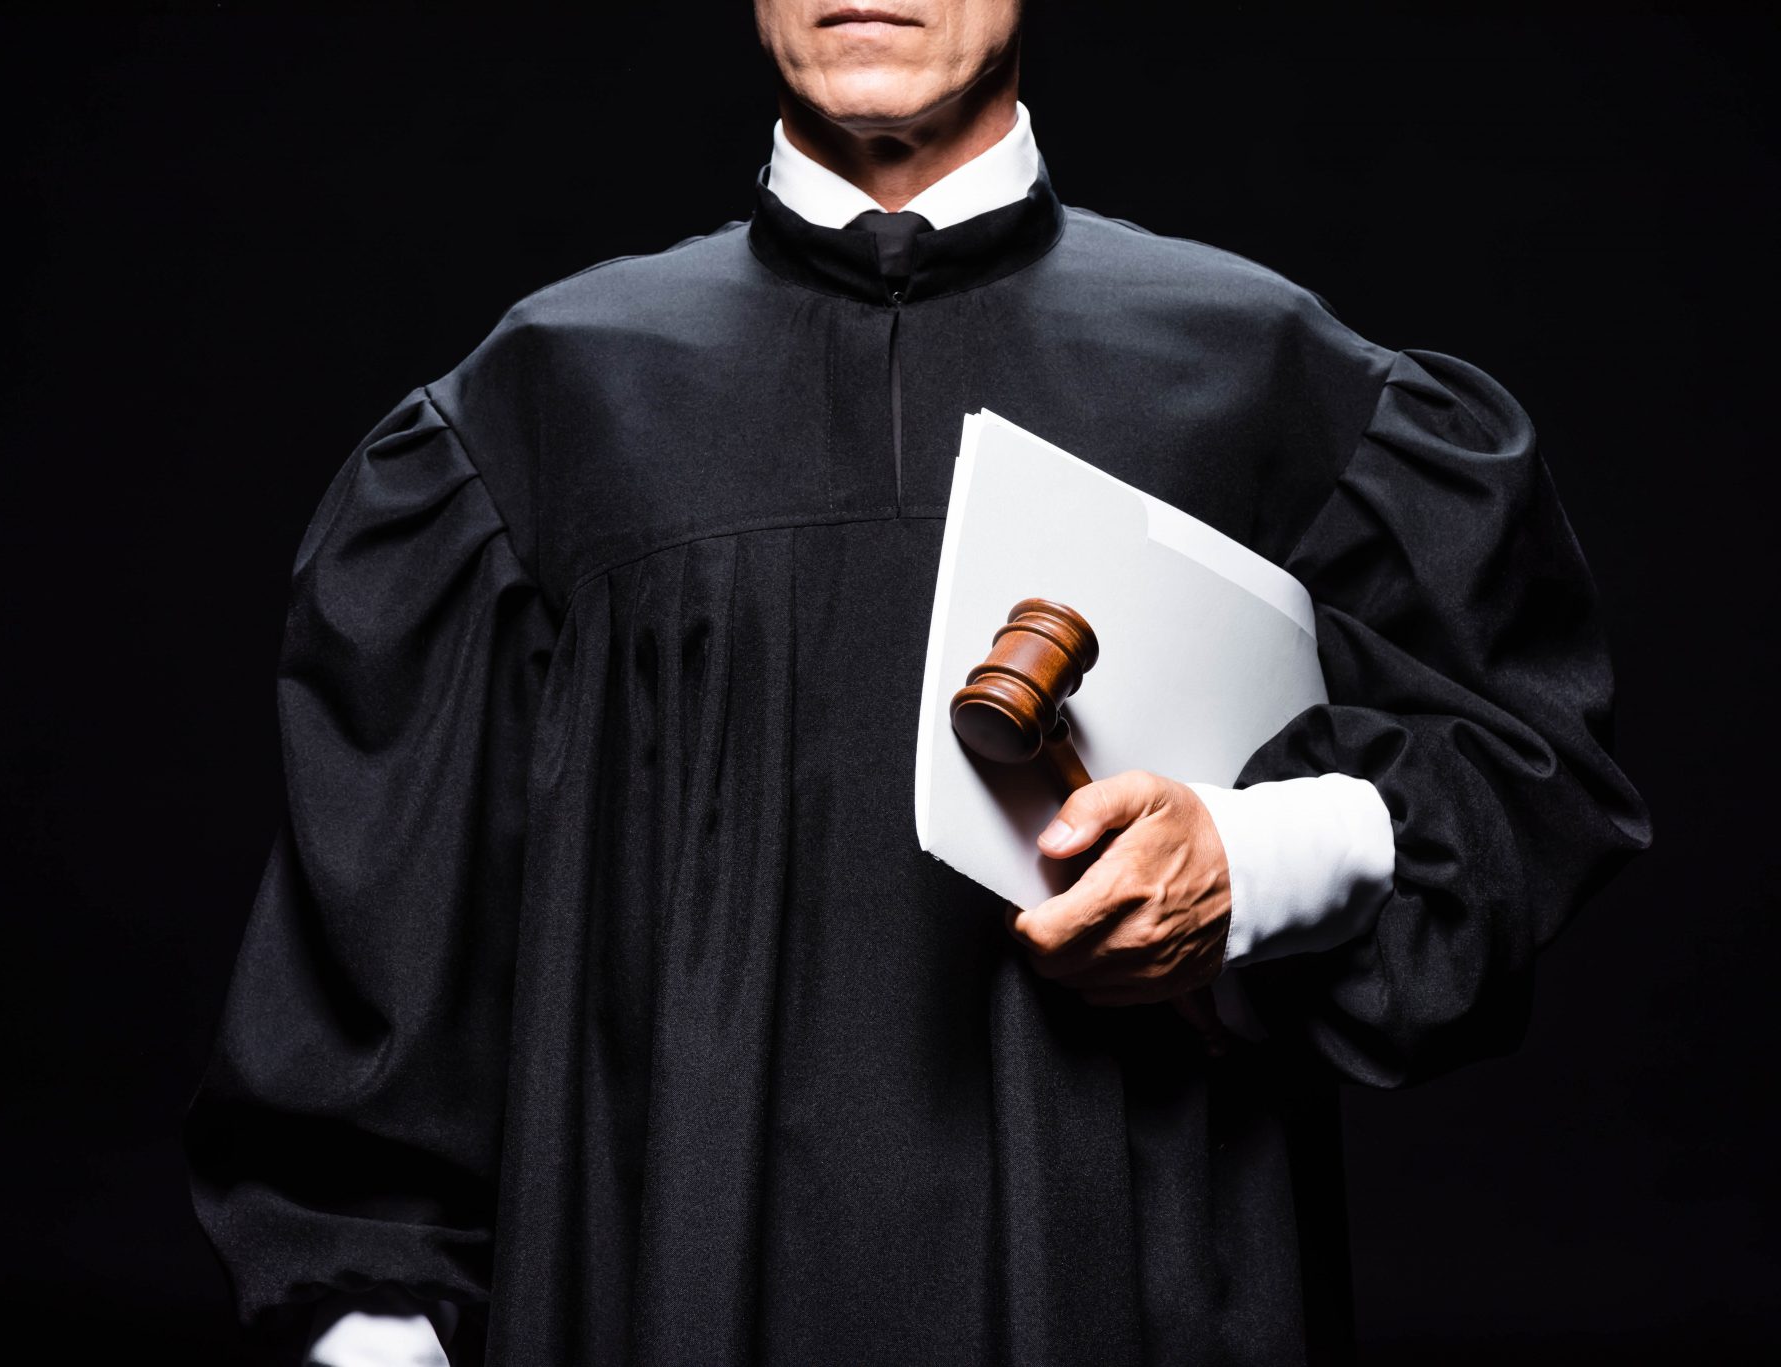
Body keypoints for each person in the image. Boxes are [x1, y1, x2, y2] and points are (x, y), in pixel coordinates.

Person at [185, 2, 1651, 1363]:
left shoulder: (1265, 378)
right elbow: (371, 1021)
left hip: (1136, 1307)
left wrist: (1256, 858)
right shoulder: (542, 413)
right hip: (660, 1301)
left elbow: (1526, 786)